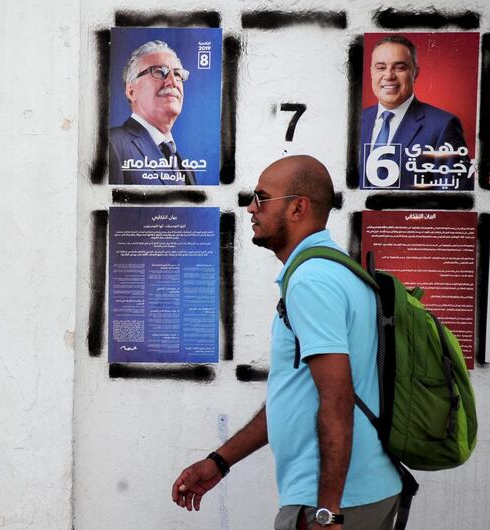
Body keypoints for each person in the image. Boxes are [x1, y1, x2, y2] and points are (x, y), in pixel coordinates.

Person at [172, 156, 402, 530]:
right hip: (357, 493)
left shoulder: (312, 281)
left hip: (332, 501)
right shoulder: (335, 270)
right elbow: (293, 396)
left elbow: (337, 399)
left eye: (262, 198)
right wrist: (220, 461)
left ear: (298, 207)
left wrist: (328, 512)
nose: (251, 208)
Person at [359, 35, 471, 190]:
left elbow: (453, 201)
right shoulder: (356, 123)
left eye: (400, 67)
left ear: (415, 72)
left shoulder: (443, 126)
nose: (389, 75)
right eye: (381, 67)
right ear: (371, 72)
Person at [109, 40, 196, 186]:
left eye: (177, 74)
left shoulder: (187, 169)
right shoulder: (110, 144)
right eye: (159, 72)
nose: (173, 82)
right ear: (131, 90)